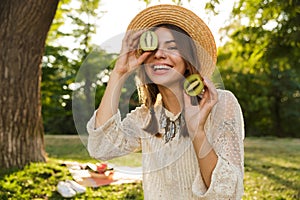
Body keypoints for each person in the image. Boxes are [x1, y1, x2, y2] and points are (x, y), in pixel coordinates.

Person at [87, 4, 244, 200]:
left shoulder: (221, 104)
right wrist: (118, 74)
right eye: (152, 48)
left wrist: (197, 130)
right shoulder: (145, 117)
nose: (159, 55)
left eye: (172, 47)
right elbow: (100, 147)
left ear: (188, 60)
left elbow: (227, 195)